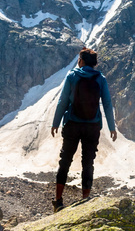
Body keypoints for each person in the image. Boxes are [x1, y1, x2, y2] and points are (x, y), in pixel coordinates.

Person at [50, 47, 117, 211]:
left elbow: (63, 101)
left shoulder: (72, 75)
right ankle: (85, 201)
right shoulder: (100, 78)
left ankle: (58, 200)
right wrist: (111, 127)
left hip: (73, 124)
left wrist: (56, 122)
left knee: (65, 160)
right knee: (88, 163)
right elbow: (107, 104)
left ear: (81, 61)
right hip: (92, 127)